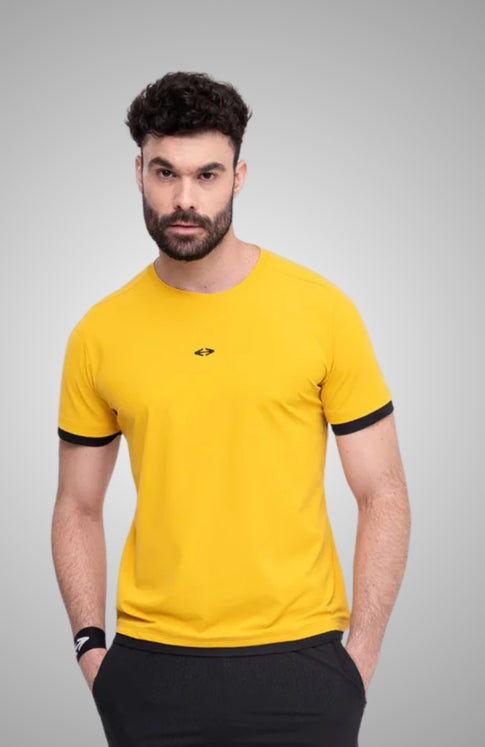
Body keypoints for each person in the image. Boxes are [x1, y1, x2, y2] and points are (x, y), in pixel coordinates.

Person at [52, 71, 411, 747]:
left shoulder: (322, 312)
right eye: (165, 172)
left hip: (303, 665)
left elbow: (382, 490)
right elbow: (77, 504)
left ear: (239, 177)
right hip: (150, 668)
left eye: (207, 174)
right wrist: (92, 650)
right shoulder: (98, 334)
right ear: (138, 173)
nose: (184, 198)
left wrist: (357, 662)